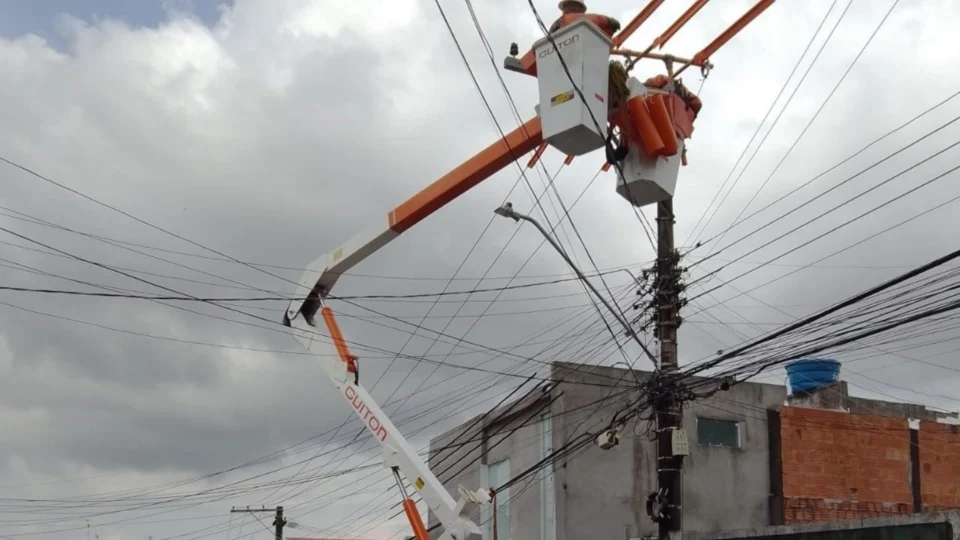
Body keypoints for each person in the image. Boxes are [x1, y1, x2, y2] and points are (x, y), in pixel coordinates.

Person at [549, 0, 621, 37]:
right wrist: (608, 21)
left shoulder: (585, 27)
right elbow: (597, 19)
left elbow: (603, 38)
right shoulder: (563, 21)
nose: (569, 9)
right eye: (568, 6)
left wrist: (610, 30)